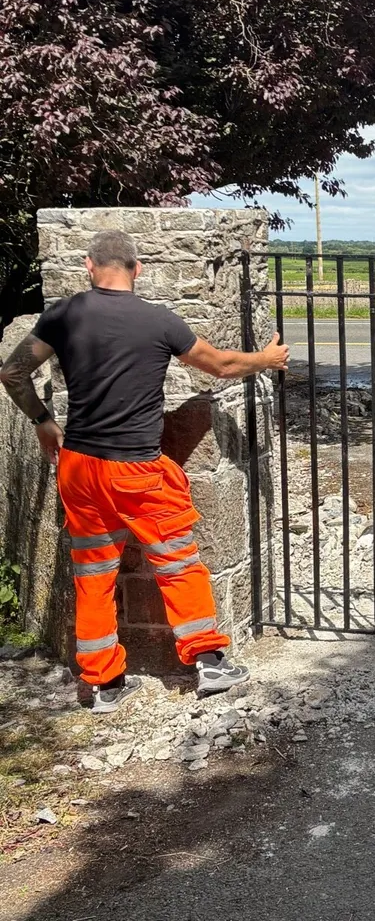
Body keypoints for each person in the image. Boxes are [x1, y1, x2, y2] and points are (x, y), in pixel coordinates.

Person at [0, 229, 289, 713]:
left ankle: (104, 685)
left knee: (93, 574)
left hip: (80, 469)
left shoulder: (63, 315)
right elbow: (219, 366)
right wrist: (267, 358)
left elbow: (12, 372)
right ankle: (209, 662)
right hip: (138, 470)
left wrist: (44, 423)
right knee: (177, 562)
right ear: (138, 269)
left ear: (89, 266)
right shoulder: (158, 320)